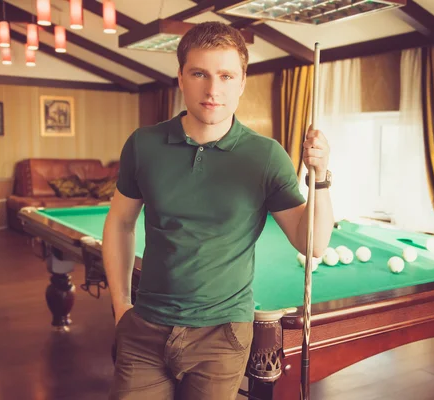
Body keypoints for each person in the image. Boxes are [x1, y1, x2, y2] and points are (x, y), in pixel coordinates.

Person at [103, 21, 335, 400]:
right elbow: (120, 224)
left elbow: (313, 244)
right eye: (200, 74)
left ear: (242, 81)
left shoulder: (266, 156)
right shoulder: (143, 145)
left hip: (222, 335)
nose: (213, 90)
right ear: (180, 76)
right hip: (145, 328)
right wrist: (120, 306)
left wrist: (320, 176)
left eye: (226, 76)